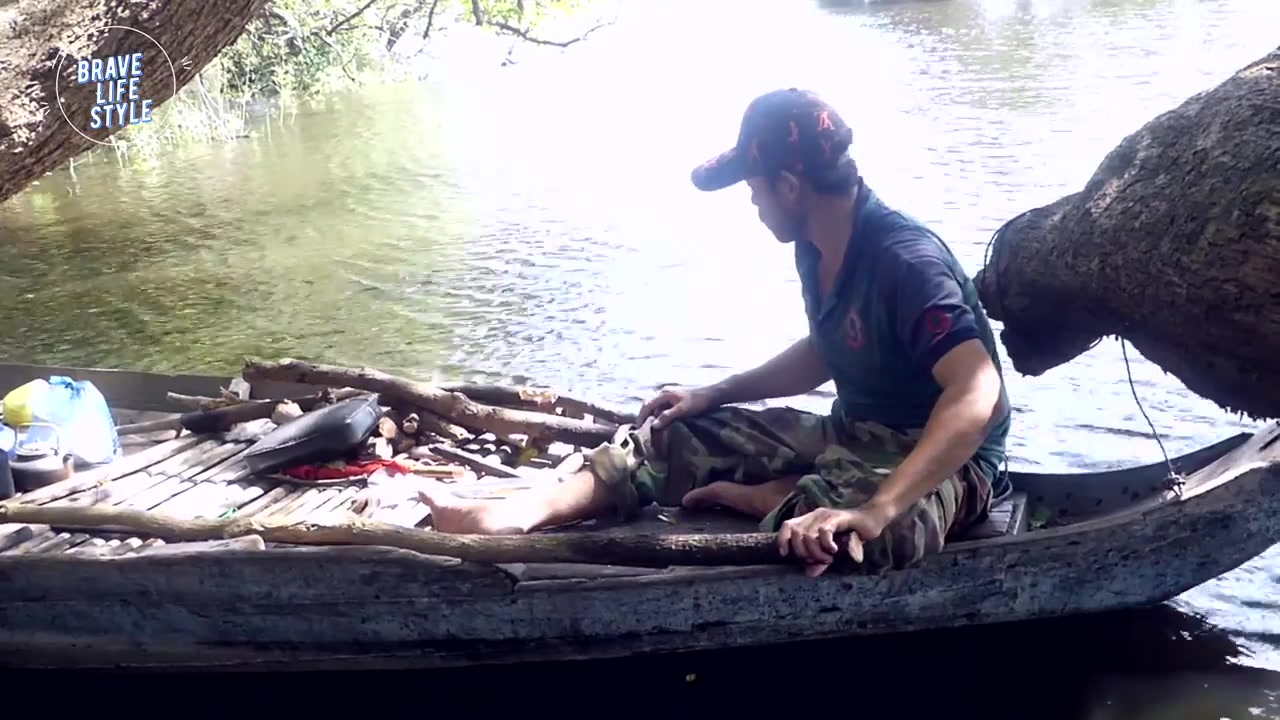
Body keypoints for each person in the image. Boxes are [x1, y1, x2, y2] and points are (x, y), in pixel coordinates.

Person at [418, 88, 1013, 578]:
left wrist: (881, 508)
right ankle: (515, 514)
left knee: (854, 538)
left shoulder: (906, 261)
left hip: (945, 461)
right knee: (673, 432)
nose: (751, 202)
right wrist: (711, 395)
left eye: (753, 187)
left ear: (789, 185)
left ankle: (773, 494)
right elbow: (827, 350)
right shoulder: (816, 245)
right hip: (853, 434)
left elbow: (975, 393)